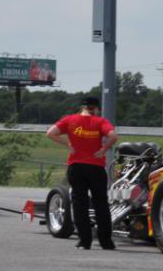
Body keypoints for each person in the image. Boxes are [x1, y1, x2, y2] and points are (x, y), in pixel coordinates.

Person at [46, 97, 118, 250]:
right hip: (96, 167)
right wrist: (104, 149)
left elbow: (50, 133)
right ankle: (106, 241)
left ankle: (84, 241)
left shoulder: (70, 120)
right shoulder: (100, 121)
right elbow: (113, 136)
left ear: (83, 107)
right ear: (96, 108)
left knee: (80, 204)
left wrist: (67, 143)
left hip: (76, 166)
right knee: (101, 204)